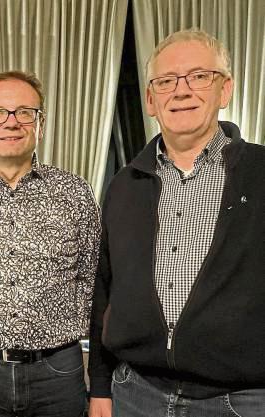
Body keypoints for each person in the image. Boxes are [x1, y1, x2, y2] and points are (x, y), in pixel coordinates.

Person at [88, 29, 265, 417]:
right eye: (166, 81)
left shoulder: (260, 172)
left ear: (226, 89)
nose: (181, 91)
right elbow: (104, 288)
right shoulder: (123, 185)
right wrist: (99, 386)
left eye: (200, 76)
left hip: (241, 401)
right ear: (150, 100)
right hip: (136, 393)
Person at [0, 70, 100, 417]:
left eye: (24, 112)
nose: (11, 123)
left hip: (56, 371)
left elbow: (92, 275)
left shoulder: (74, 192)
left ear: (40, 123)